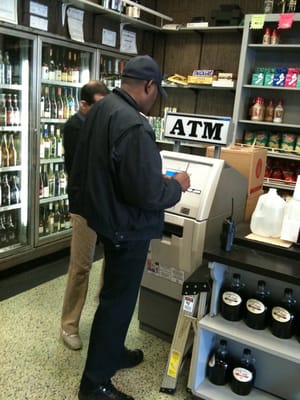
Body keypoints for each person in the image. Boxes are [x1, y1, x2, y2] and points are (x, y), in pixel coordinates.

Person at [72, 55, 190, 400]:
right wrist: (177, 185)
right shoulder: (134, 125)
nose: (155, 101)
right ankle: (94, 384)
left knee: (114, 298)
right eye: (157, 93)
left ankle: (112, 353)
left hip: (106, 219)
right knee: (117, 303)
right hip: (127, 226)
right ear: (149, 86)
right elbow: (148, 192)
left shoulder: (102, 108)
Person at [60, 80, 110, 351]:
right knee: (80, 267)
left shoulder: (99, 125)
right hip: (83, 207)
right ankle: (68, 326)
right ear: (84, 105)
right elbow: (86, 169)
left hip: (106, 206)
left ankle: (102, 314)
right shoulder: (76, 127)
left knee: (110, 263)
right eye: (100, 107)